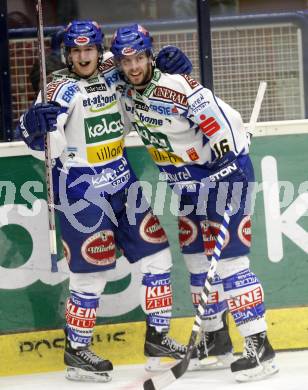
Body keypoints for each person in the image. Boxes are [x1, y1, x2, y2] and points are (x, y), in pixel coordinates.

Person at [17, 20, 194, 382]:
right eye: (76, 51)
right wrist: (32, 125)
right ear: (67, 54)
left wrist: (172, 66)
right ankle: (77, 351)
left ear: (101, 51)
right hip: (80, 188)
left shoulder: (115, 68)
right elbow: (36, 140)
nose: (83, 57)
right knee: (91, 275)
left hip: (121, 178)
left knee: (157, 255)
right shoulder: (58, 88)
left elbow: (143, 68)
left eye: (90, 50)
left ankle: (158, 338)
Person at [110, 24, 279, 382]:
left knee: (232, 262)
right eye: (127, 61)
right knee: (197, 261)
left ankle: (260, 346)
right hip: (186, 189)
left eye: (139, 58)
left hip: (224, 179)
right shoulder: (125, 89)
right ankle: (216, 340)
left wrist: (229, 164)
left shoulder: (178, 86)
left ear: (149, 56)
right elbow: (93, 64)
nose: (134, 66)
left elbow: (226, 123)